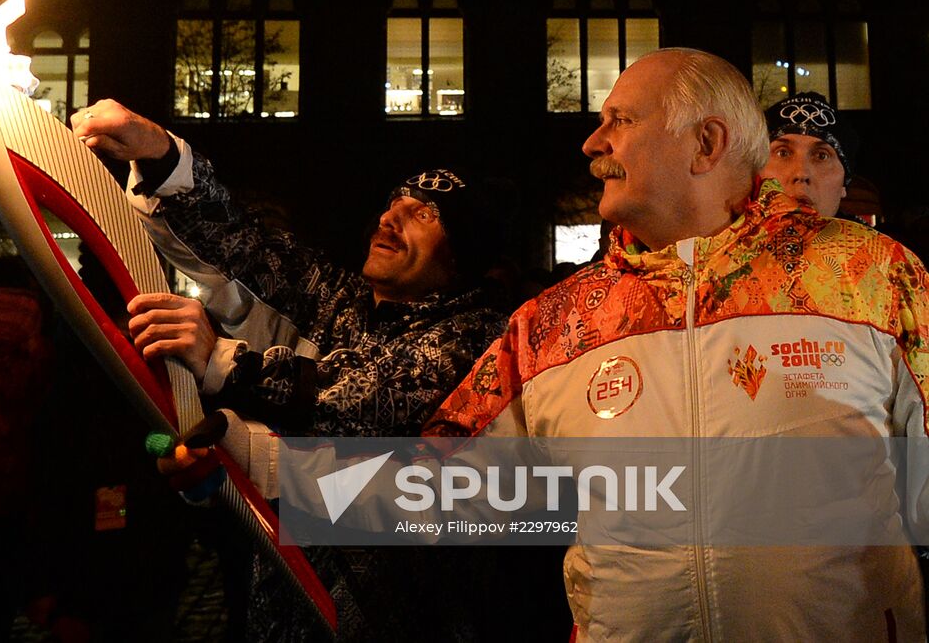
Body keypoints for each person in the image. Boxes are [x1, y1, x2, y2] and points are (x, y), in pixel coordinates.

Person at [425, 48, 927, 640]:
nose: (592, 143)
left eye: (622, 120)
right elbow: (435, 485)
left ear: (706, 144)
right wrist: (290, 479)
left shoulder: (868, 275)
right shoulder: (553, 322)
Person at [74, 99, 512, 642]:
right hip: (286, 616)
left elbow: (363, 401)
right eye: (393, 204)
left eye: (423, 214)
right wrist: (163, 158)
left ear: (465, 250)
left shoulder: (483, 336)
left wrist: (220, 360)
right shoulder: (343, 300)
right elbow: (247, 250)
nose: (389, 219)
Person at [760, 90, 858, 217]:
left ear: (844, 184)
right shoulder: (729, 236)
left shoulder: (873, 237)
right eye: (783, 153)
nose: (801, 173)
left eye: (821, 156)